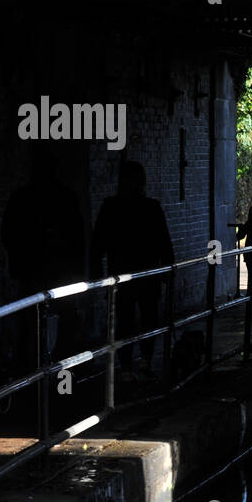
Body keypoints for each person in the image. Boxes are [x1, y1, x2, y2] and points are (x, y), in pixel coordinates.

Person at [0, 148, 86, 364]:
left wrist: (20, 260)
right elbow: (77, 237)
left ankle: (30, 366)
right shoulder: (66, 198)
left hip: (32, 270)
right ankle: (62, 362)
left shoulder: (21, 198)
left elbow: (8, 234)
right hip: (60, 271)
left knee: (31, 319)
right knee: (66, 317)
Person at [90, 160, 174, 377]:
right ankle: (145, 360)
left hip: (120, 272)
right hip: (147, 272)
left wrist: (96, 272)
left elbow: (98, 243)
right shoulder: (151, 208)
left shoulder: (111, 207)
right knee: (148, 319)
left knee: (124, 322)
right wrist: (167, 269)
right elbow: (164, 242)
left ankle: (126, 364)